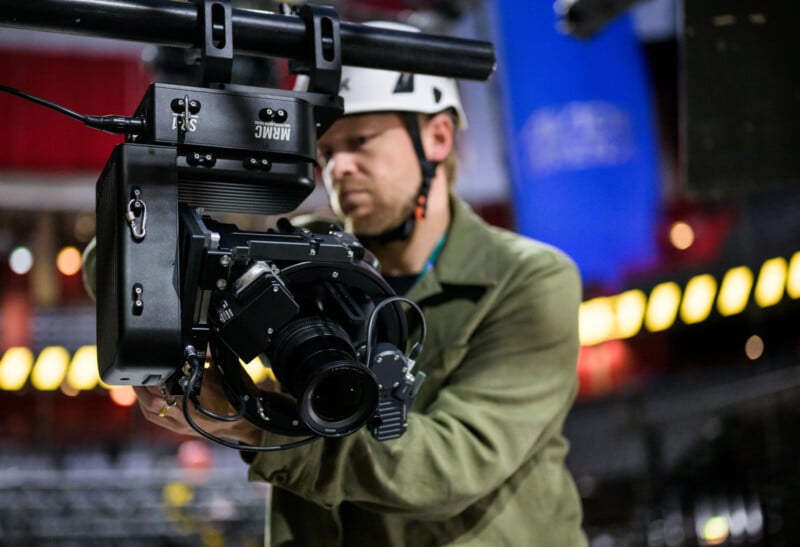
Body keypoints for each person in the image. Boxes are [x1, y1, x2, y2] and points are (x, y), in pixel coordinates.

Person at [133, 28, 588, 546]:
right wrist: (187, 153)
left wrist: (254, 425)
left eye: (359, 142)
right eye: (325, 151)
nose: (338, 168)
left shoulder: (528, 279)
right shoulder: (300, 255)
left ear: (438, 137)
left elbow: (453, 465)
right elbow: (131, 261)